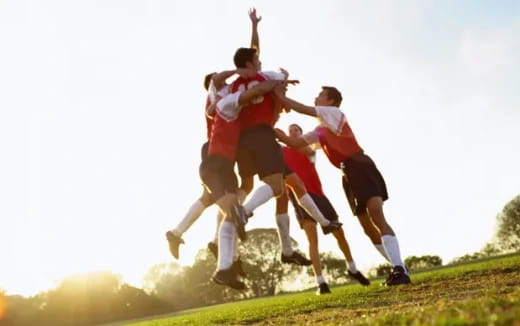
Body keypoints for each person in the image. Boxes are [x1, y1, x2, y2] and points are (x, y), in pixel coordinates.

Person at [275, 86, 411, 286]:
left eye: (320, 95)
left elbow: (302, 108)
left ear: (331, 101)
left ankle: (400, 269)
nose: (316, 96)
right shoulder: (320, 130)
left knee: (376, 216)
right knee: (367, 227)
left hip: (360, 165)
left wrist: (277, 94)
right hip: (347, 173)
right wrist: (272, 131)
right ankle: (399, 267)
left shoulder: (334, 113)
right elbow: (295, 144)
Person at [279, 123, 370, 295]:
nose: (293, 132)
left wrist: (305, 138)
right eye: (290, 131)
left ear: (301, 133)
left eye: (297, 130)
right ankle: (321, 282)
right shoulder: (282, 152)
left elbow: (311, 152)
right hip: (300, 197)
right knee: (312, 239)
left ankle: (352, 268)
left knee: (339, 234)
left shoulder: (308, 149)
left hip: (319, 195)